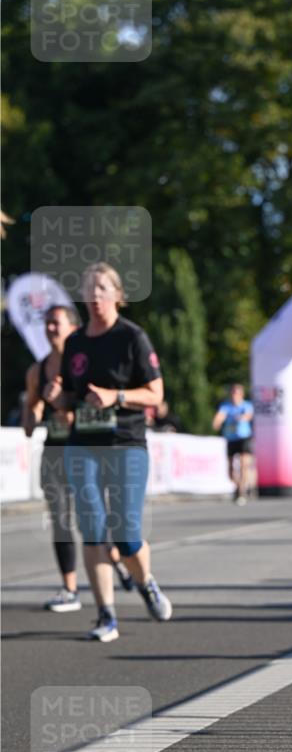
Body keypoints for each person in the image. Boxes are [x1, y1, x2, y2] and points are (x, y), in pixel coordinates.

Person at [53, 262, 172, 642]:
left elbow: (156, 394)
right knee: (91, 527)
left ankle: (146, 582)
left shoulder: (132, 337)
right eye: (89, 288)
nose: (95, 295)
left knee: (125, 534)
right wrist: (60, 400)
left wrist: (116, 397)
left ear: (118, 295)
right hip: (83, 443)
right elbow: (72, 396)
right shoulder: (75, 343)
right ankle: (106, 616)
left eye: (103, 288)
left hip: (125, 443)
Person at [22, 304, 82, 611]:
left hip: (85, 448)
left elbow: (93, 408)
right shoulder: (38, 370)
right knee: (60, 519)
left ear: (72, 327)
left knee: (92, 520)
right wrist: (31, 418)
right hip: (55, 451)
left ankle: (118, 561)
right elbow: (31, 407)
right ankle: (70, 589)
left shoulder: (83, 364)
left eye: (55, 323)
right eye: (46, 324)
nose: (50, 329)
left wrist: (64, 404)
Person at [213, 384, 254, 504]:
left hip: (244, 437)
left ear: (241, 395)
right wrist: (216, 422)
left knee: (243, 464)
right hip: (231, 439)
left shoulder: (246, 405)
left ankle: (242, 489)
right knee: (231, 469)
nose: (234, 396)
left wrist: (241, 418)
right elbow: (219, 416)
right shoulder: (226, 406)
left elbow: (248, 415)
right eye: (233, 393)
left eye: (237, 393)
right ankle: (237, 486)